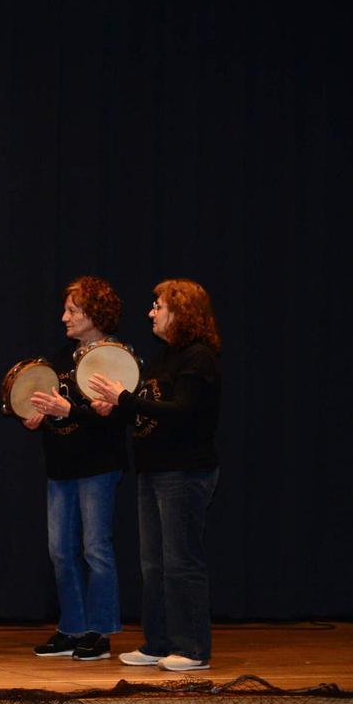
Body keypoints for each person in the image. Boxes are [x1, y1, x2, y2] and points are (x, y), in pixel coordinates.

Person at [88, 279, 221, 672]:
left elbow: (182, 411)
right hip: (155, 470)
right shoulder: (166, 357)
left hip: (185, 471)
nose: (151, 311)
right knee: (154, 564)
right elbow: (148, 408)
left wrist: (125, 399)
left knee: (181, 562)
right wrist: (115, 408)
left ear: (180, 312)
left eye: (158, 305)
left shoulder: (198, 358)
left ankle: (193, 648)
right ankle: (159, 642)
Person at [24, 277, 128, 662]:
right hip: (61, 466)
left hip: (98, 465)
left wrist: (69, 411)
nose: (64, 317)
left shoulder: (117, 357)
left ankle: (100, 632)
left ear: (95, 314)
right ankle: (72, 628)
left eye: (73, 310)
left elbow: (117, 419)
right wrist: (38, 414)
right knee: (61, 551)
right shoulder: (61, 357)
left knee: (95, 549)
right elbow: (53, 404)